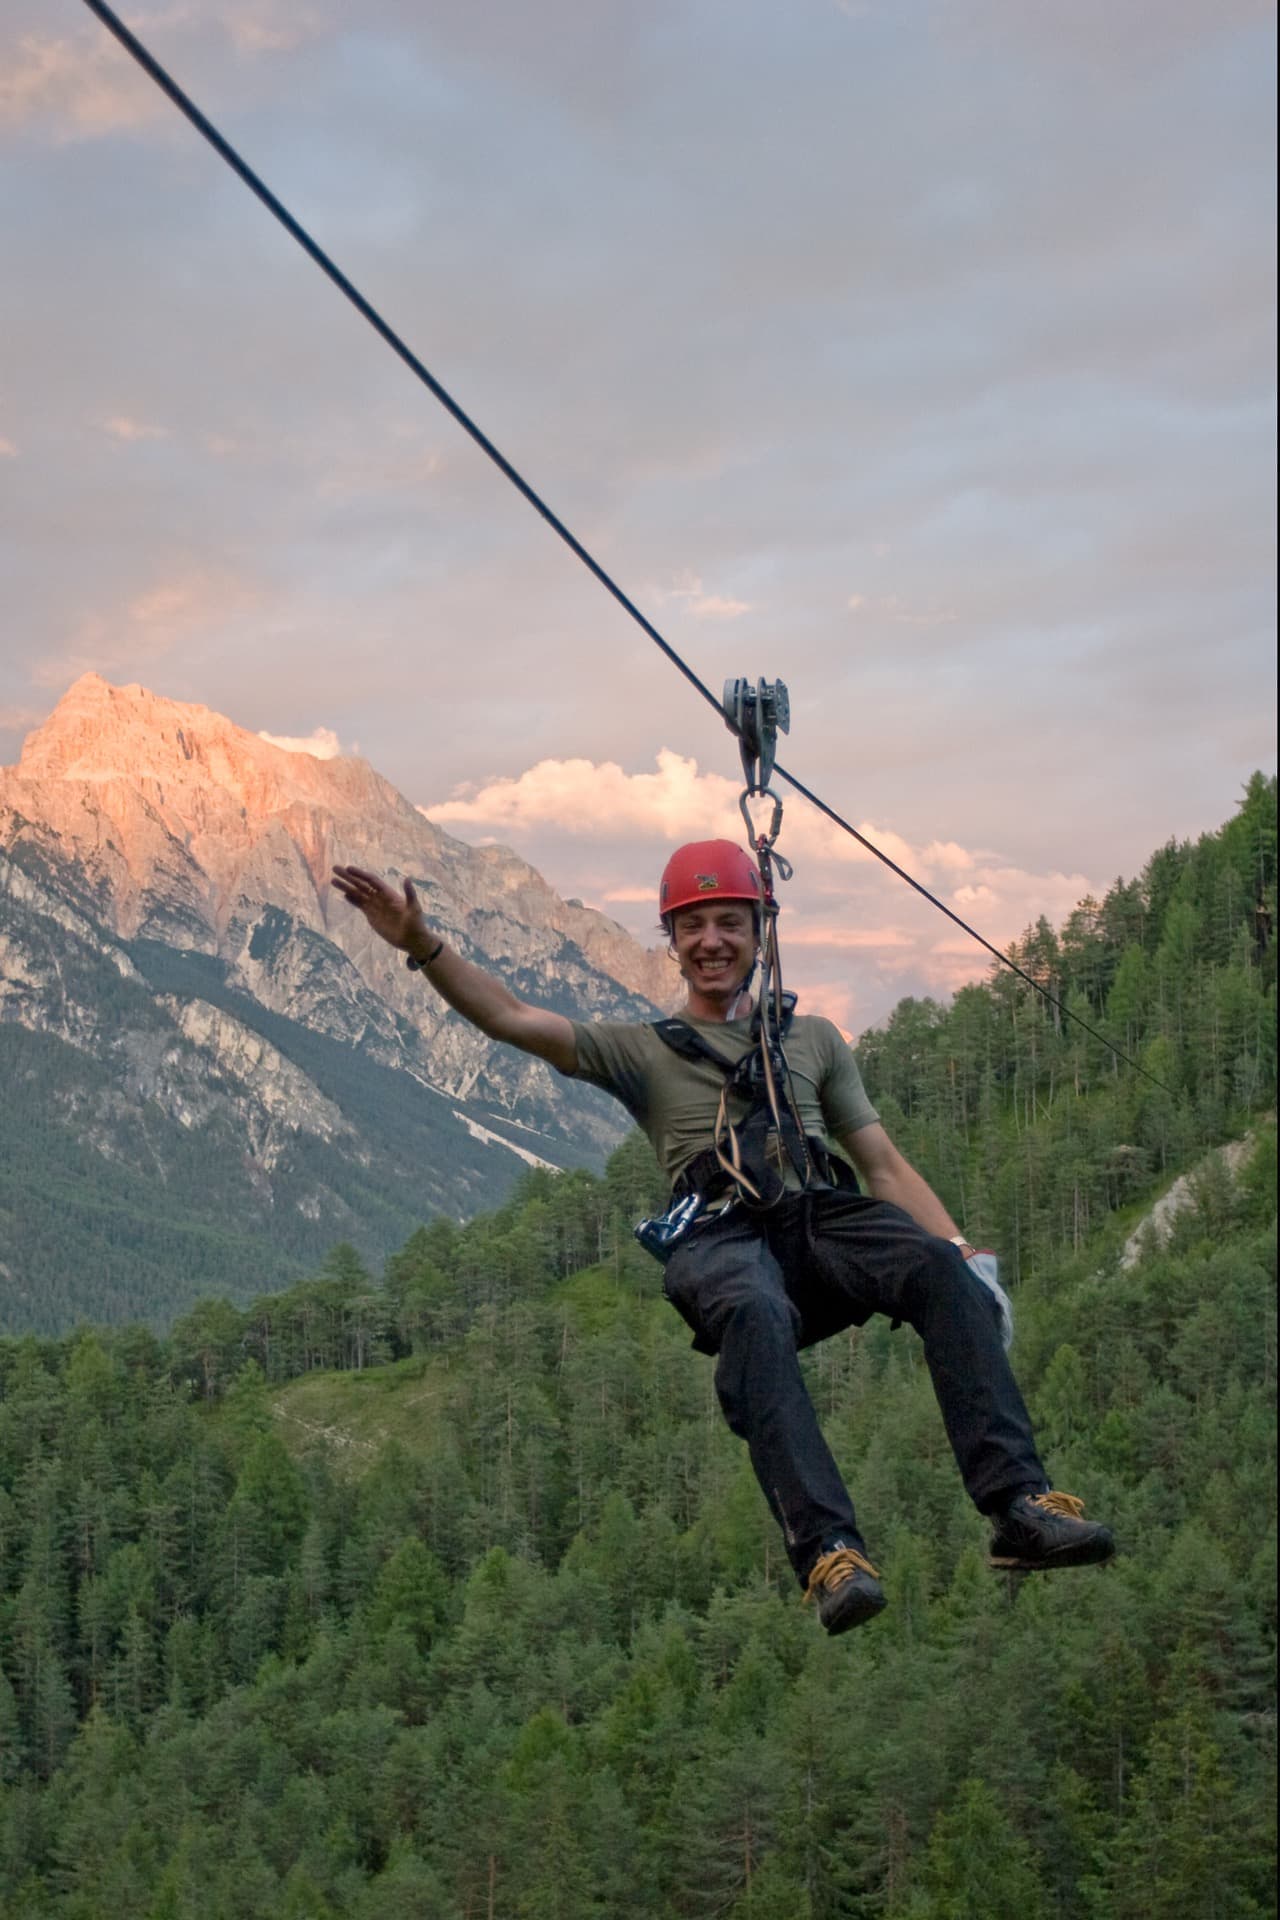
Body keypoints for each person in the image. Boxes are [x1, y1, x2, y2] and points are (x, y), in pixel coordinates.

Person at [332, 840, 1115, 1635]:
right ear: (671, 942)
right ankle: (829, 1553)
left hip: (820, 1221)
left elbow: (881, 1163)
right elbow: (511, 1018)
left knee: (936, 1266)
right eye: (694, 925)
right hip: (723, 1237)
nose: (712, 941)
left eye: (730, 923)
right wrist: (423, 947)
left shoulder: (811, 1042)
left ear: (760, 930)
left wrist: (967, 1263)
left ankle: (1018, 1506)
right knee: (753, 1313)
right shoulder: (639, 1051)